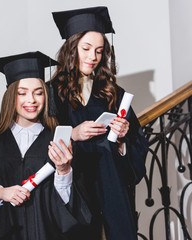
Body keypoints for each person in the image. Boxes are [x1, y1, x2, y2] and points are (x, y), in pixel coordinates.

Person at [0, 51, 91, 240]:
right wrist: (0, 193)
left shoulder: (59, 142)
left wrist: (64, 171)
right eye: (22, 93)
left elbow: (75, 209)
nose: (31, 100)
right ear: (10, 96)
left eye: (38, 92)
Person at [49, 6, 148, 240]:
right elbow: (40, 141)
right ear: (71, 48)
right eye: (86, 48)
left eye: (99, 51)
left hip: (111, 189)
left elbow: (137, 149)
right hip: (75, 190)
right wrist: (72, 133)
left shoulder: (113, 92)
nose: (93, 57)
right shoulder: (52, 93)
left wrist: (122, 139)